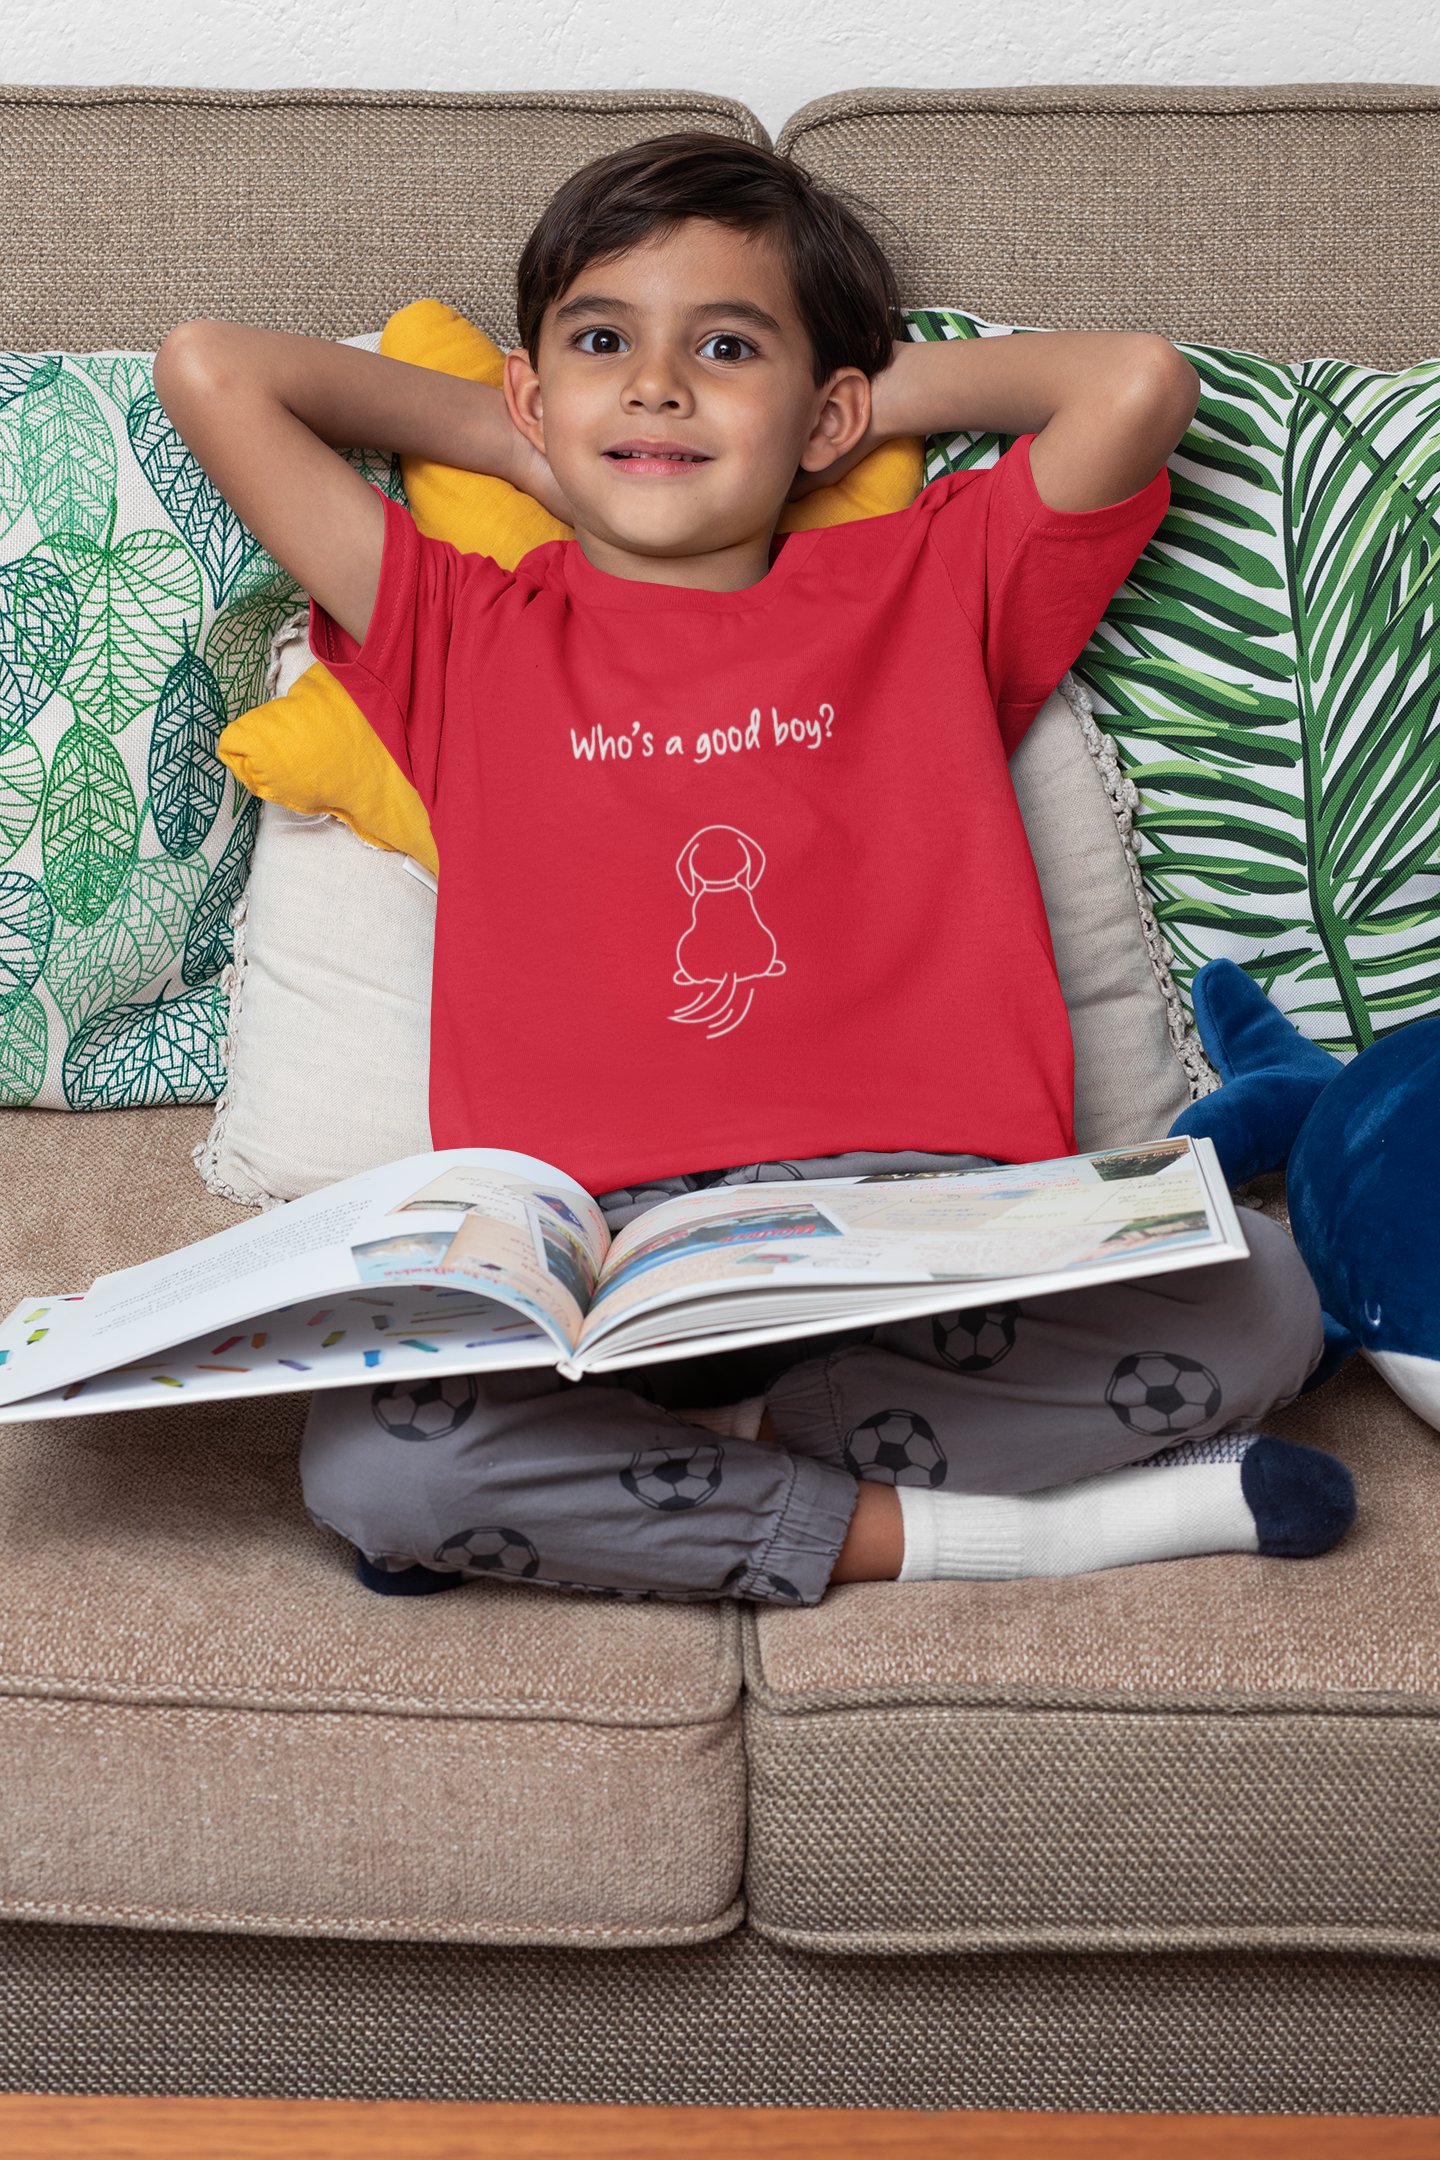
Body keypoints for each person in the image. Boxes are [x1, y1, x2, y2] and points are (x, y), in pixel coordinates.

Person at [154, 134, 1353, 1604]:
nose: (658, 383)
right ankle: (1024, 1528)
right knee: (373, 1466)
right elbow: (213, 370)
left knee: (1265, 1290)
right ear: (533, 392)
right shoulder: (463, 629)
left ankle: (685, 1480)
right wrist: (532, 434)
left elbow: (1134, 386)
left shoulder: (929, 577)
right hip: (608, 1258)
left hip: (932, 1229)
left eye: (726, 346)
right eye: (604, 342)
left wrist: (839, 415)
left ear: (826, 408)